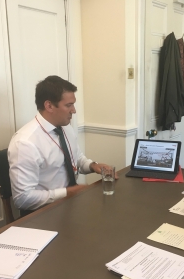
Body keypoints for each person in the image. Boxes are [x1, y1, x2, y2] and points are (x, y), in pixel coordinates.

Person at [8, 75, 112, 216]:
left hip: (71, 206)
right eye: (69, 105)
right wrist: (66, 192)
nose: (74, 110)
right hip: (42, 215)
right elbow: (22, 199)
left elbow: (76, 157)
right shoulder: (25, 143)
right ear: (49, 106)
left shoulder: (65, 127)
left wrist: (93, 165)